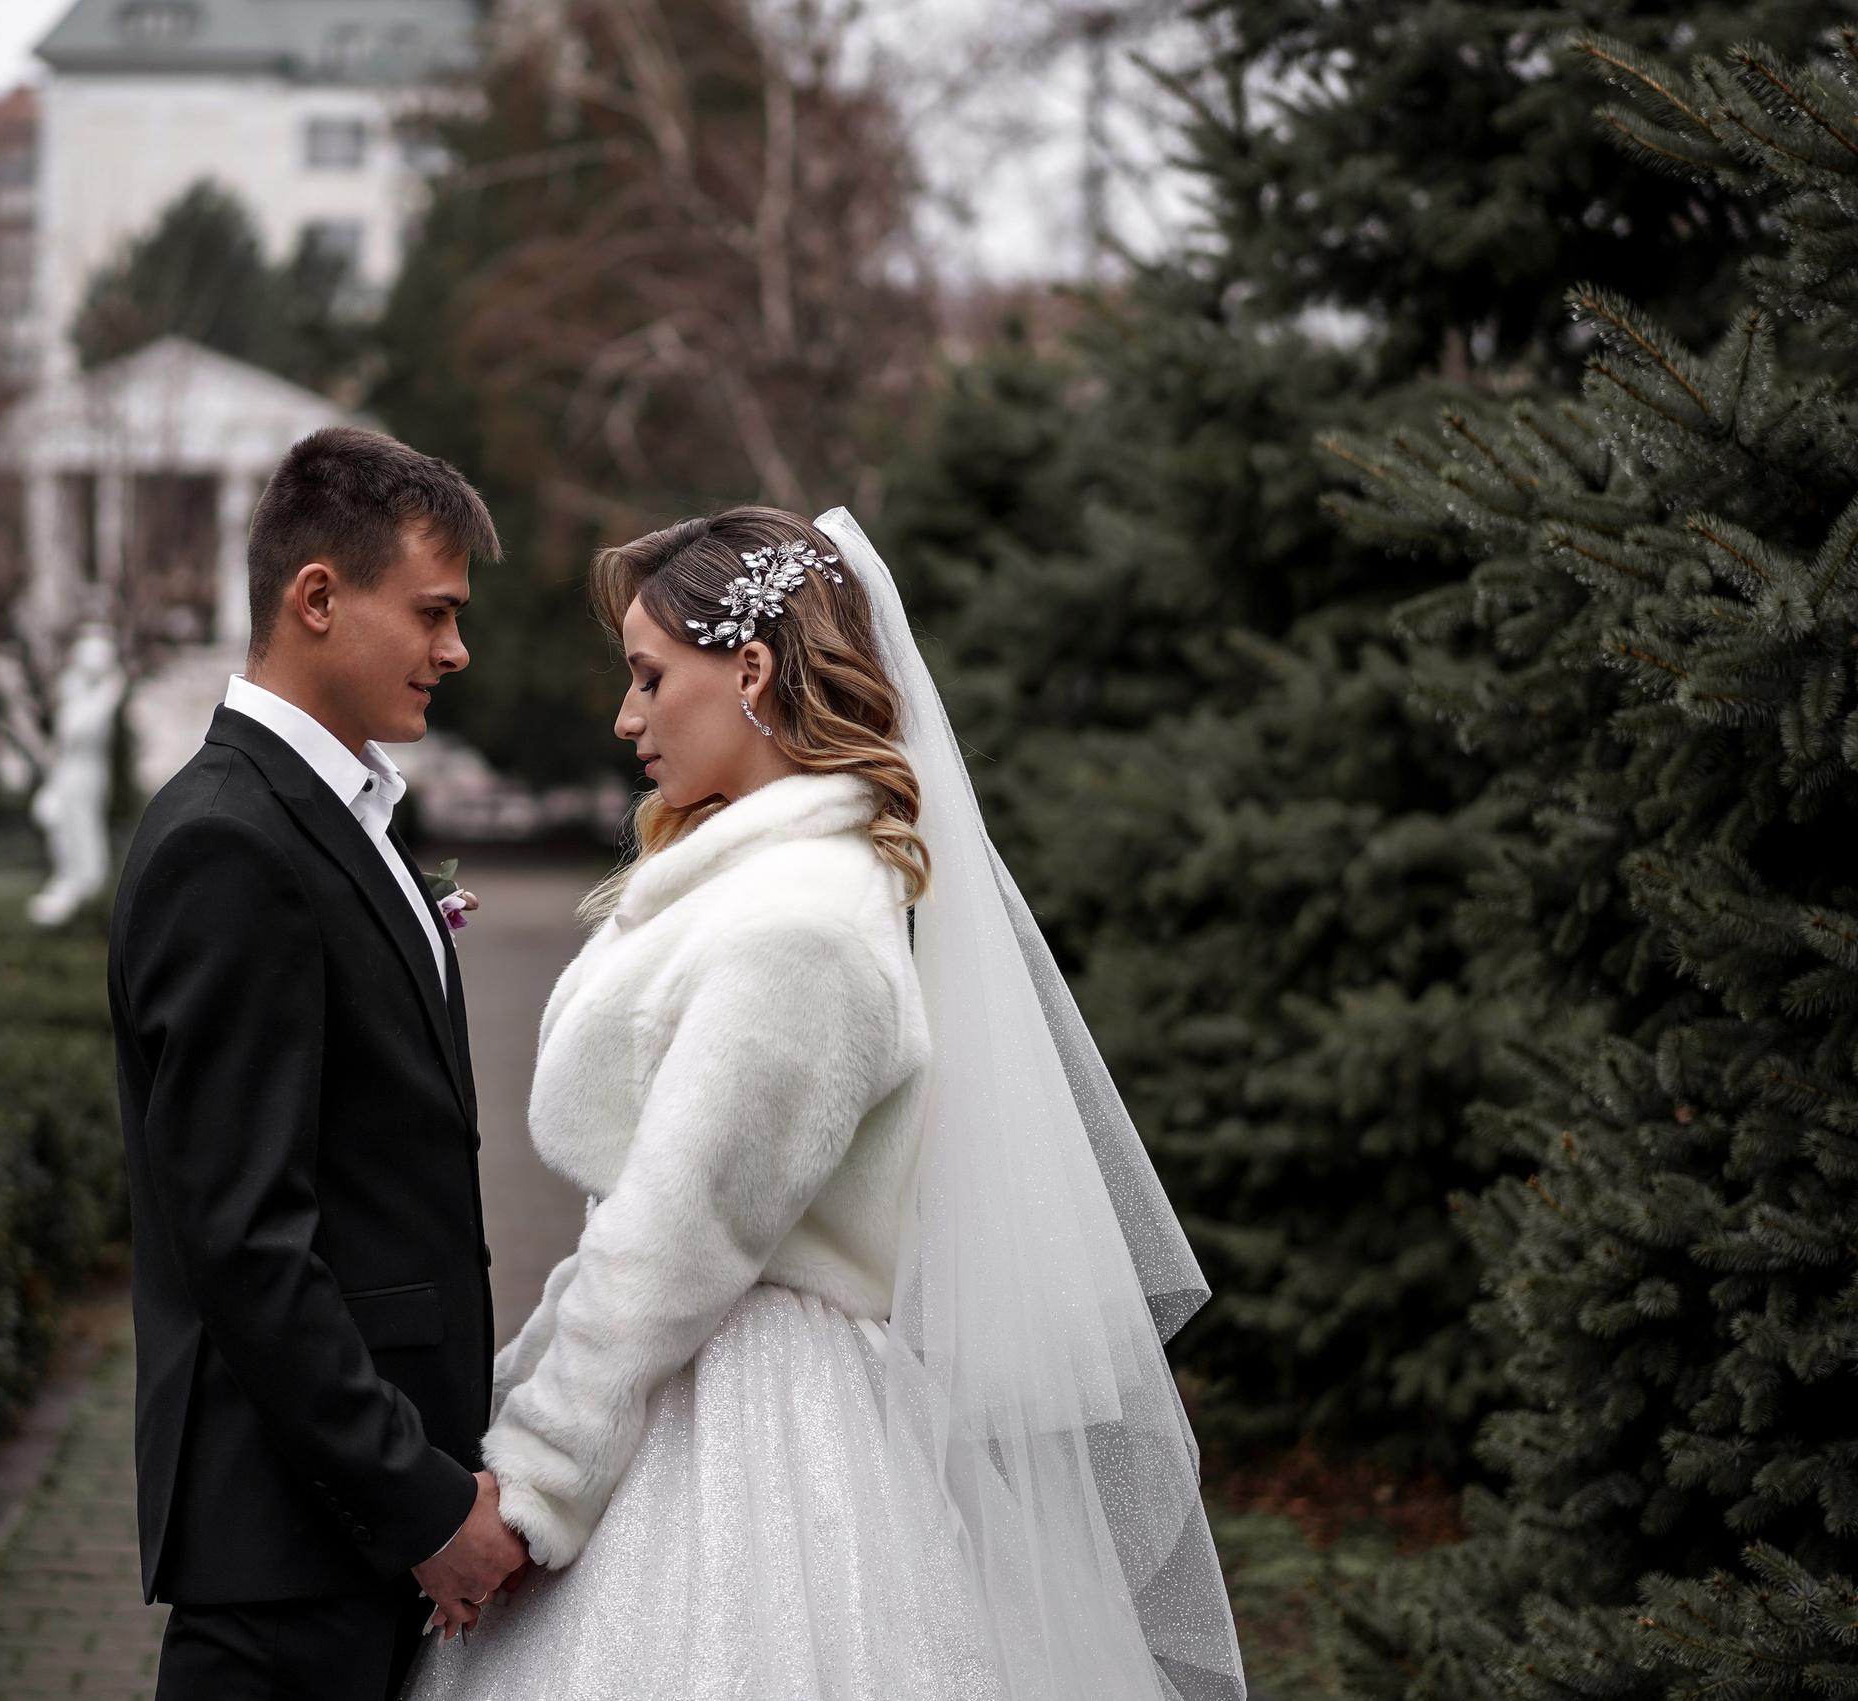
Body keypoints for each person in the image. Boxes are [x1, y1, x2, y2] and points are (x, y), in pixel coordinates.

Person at [408, 508, 1246, 1700]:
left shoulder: (799, 924)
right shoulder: (752, 887)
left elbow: (675, 1236)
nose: (625, 718)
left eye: (650, 677)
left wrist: (532, 1487)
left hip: (750, 1432)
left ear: (749, 669)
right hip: (694, 1385)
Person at [109, 427, 530, 1701]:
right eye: (434, 612)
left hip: (341, 1535)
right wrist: (421, 1507)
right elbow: (246, 1242)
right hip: (289, 1545)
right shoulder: (229, 845)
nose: (456, 650)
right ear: (317, 598)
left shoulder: (338, 816)